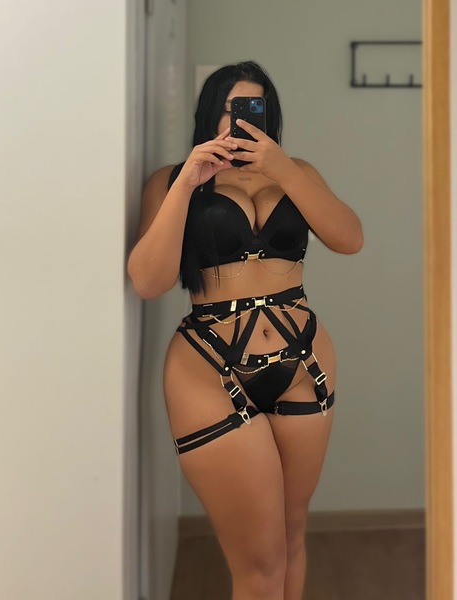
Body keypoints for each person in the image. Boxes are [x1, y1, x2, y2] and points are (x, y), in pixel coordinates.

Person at [128, 61, 363, 600]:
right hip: (208, 369)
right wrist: (188, 183)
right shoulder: (170, 179)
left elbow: (350, 239)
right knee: (258, 562)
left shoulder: (296, 171)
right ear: (211, 112)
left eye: (254, 108)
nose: (240, 120)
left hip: (303, 364)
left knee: (292, 536)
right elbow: (148, 281)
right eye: (230, 108)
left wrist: (284, 170)